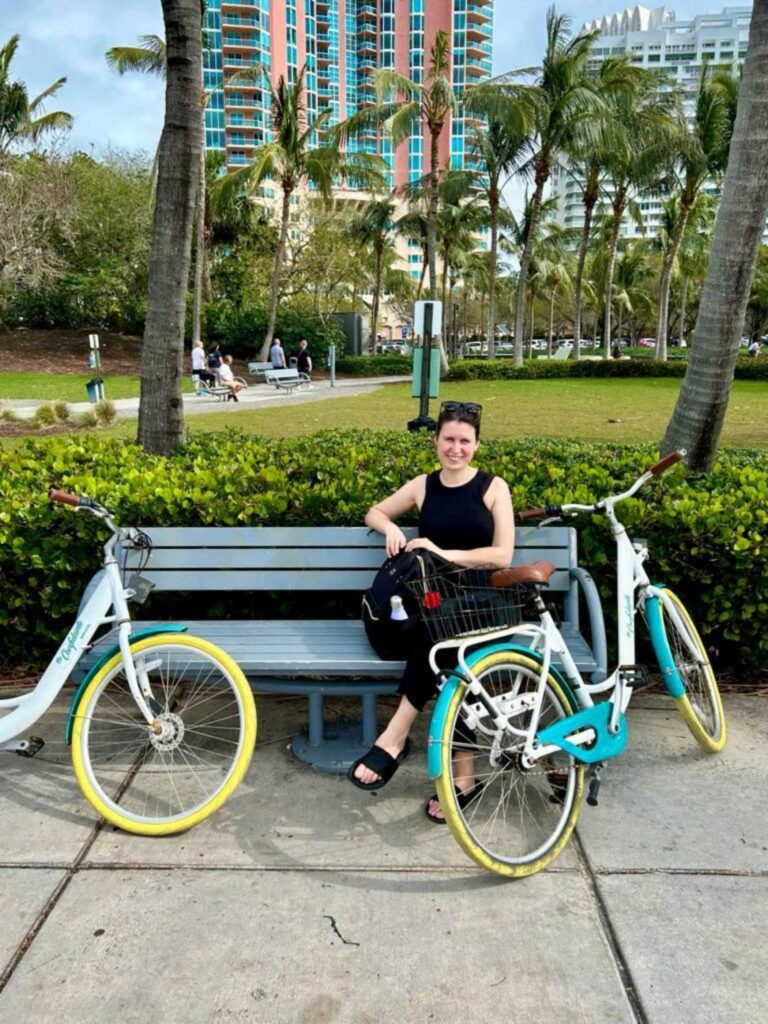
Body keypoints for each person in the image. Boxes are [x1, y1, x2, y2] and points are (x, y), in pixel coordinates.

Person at [348, 401, 515, 823]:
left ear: (477, 444)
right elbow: (375, 511)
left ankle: (395, 737)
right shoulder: (423, 485)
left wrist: (442, 552)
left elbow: (501, 555)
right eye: (448, 439)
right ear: (436, 441)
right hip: (434, 603)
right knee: (443, 649)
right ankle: (464, 778)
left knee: (443, 645)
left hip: (485, 603)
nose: (455, 448)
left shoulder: (494, 488)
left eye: (464, 441)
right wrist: (390, 528)